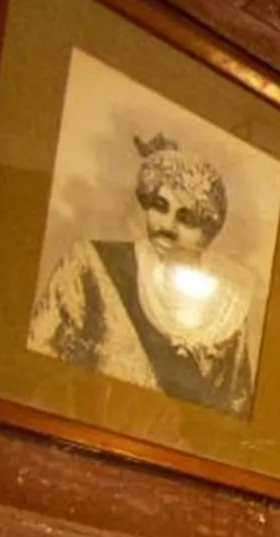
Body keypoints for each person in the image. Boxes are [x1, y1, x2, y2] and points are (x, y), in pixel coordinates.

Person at [28, 132, 257, 415]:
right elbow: (37, 368)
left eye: (186, 218)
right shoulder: (90, 264)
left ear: (209, 230)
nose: (166, 226)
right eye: (160, 207)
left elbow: (233, 411)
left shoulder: (226, 311)